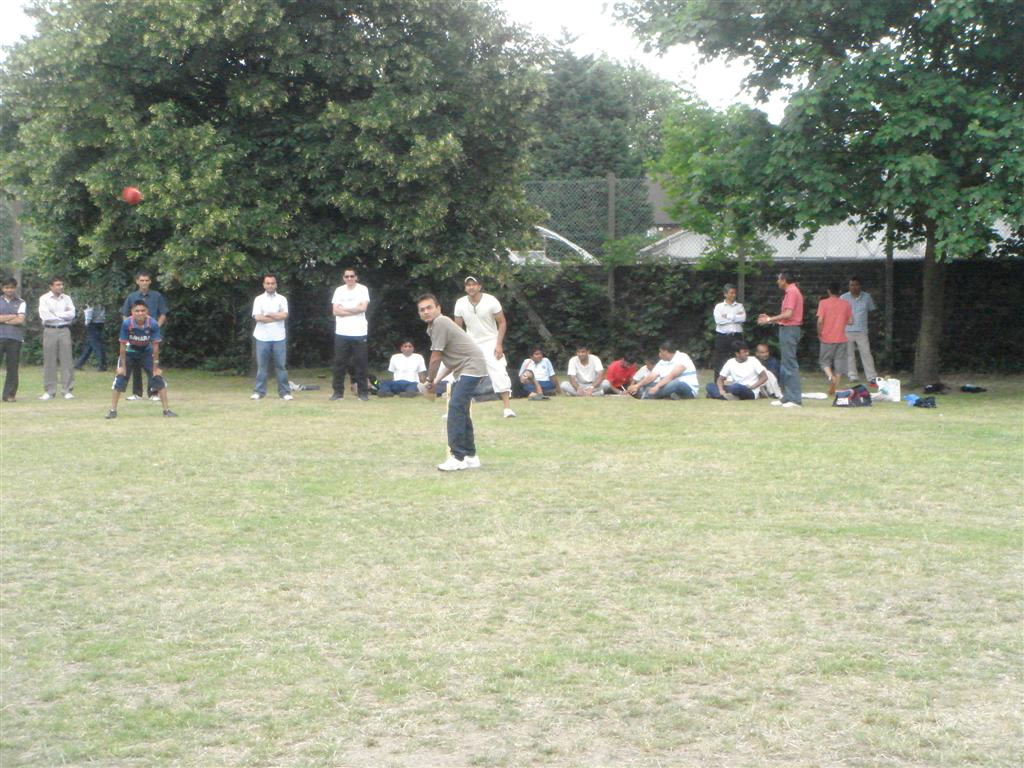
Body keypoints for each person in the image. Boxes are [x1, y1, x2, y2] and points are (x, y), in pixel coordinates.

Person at [417, 294, 486, 471]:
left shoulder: (441, 322)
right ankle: (471, 456)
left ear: (438, 308)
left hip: (471, 367)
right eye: (422, 310)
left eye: (429, 307)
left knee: (455, 409)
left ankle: (457, 457)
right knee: (461, 409)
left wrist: (429, 380)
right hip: (466, 368)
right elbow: (449, 359)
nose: (426, 312)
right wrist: (437, 381)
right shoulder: (432, 328)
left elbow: (435, 358)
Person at [453, 276, 516, 418]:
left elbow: (502, 323)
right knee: (462, 374)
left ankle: (507, 408)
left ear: (479, 286)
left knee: (499, 371)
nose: (471, 287)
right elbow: (457, 327)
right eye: (468, 285)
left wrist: (498, 344)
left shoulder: (491, 300)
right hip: (471, 343)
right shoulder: (460, 303)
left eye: (473, 284)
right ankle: (457, 408)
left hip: (490, 341)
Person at [106, 300, 176, 418]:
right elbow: (122, 346)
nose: (140, 313)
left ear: (147, 311)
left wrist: (156, 367)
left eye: (142, 310)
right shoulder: (127, 323)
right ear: (132, 312)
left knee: (158, 379)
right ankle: (113, 411)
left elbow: (155, 347)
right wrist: (122, 366)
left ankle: (166, 410)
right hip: (129, 352)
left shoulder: (152, 323)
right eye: (137, 311)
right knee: (120, 379)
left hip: (146, 352)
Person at [758, 271, 803, 408]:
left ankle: (795, 399)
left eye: (778, 279)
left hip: (790, 330)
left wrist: (769, 319)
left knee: (790, 364)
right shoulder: (791, 291)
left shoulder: (792, 291)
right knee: (786, 364)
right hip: (786, 329)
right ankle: (788, 397)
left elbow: (788, 314)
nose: (777, 282)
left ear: (784, 280)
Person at [121, 270, 169, 401]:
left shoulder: (157, 296)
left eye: (146, 280)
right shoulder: (132, 297)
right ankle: (137, 393)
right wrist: (128, 329)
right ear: (137, 282)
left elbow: (163, 313)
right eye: (141, 280)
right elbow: (125, 314)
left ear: (150, 282)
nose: (144, 283)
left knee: (152, 363)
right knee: (135, 363)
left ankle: (153, 393)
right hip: (135, 336)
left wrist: (155, 327)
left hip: (151, 335)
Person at [330, 267, 370, 401]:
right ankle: (337, 393)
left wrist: (345, 309)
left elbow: (363, 308)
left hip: (359, 332)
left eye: (352, 276)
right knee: (339, 363)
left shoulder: (363, 289)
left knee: (361, 363)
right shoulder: (339, 290)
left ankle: (363, 393)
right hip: (341, 332)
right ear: (343, 278)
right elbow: (335, 311)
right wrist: (355, 309)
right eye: (346, 276)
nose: (349, 279)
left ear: (356, 277)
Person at [250, 274, 293, 401]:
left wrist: (268, 315)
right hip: (262, 337)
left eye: (272, 283)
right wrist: (275, 317)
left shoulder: (282, 299)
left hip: (279, 337)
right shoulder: (258, 299)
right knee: (262, 367)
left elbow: (284, 315)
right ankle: (259, 392)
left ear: (276, 285)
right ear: (264, 285)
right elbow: (257, 317)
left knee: (281, 366)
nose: (270, 285)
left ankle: (284, 392)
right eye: (267, 283)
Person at [38, 277, 76, 400]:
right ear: (51, 286)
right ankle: (49, 391)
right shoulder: (44, 299)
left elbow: (72, 314)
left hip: (64, 330)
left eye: (62, 284)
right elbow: (45, 316)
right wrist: (63, 315)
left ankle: (67, 390)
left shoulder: (67, 298)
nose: (60, 287)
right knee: (49, 360)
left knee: (67, 360)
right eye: (58, 284)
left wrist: (56, 315)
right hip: (49, 330)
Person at [816, 282, 853, 395]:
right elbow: (851, 321)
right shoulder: (846, 304)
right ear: (840, 292)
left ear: (829, 291)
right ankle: (835, 387)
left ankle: (830, 377)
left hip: (827, 337)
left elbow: (820, 321)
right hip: (842, 338)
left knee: (824, 362)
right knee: (839, 363)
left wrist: (819, 333)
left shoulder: (823, 303)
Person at [628, 341, 699, 400]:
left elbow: (671, 376)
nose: (659, 354)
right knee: (650, 383)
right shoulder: (662, 361)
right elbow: (652, 376)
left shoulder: (682, 357)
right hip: (668, 385)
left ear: (666, 352)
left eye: (661, 352)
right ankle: (642, 392)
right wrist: (637, 385)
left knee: (677, 383)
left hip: (687, 388)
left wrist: (657, 387)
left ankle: (647, 395)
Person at [841, 276, 878, 382]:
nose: (854, 287)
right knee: (849, 354)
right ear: (849, 286)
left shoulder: (867, 297)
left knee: (866, 353)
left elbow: (872, 312)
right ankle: (852, 375)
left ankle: (871, 376)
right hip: (847, 330)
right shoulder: (843, 298)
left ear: (860, 285)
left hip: (862, 330)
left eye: (856, 285)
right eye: (851, 285)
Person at [0, 278, 27, 402]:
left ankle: (9, 395)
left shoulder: (21, 302)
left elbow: (20, 320)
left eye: (11, 287)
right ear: (2, 288)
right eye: (6, 287)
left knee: (12, 368)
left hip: (14, 338)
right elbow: (16, 318)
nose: (9, 290)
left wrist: (3, 318)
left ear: (15, 288)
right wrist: (12, 316)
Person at [711, 283, 746, 376]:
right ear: (725, 294)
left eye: (734, 293)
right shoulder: (719, 307)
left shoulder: (739, 306)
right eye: (731, 293)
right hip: (723, 336)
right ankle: (718, 383)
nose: (733, 295)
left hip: (736, 336)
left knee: (737, 358)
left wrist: (727, 316)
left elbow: (742, 318)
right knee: (721, 359)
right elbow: (719, 320)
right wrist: (734, 317)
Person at [74, 302, 107, 371]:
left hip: (93, 324)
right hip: (100, 323)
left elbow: (89, 312)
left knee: (96, 345)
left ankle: (102, 365)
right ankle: (79, 364)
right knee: (89, 346)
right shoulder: (100, 299)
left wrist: (87, 323)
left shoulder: (90, 300)